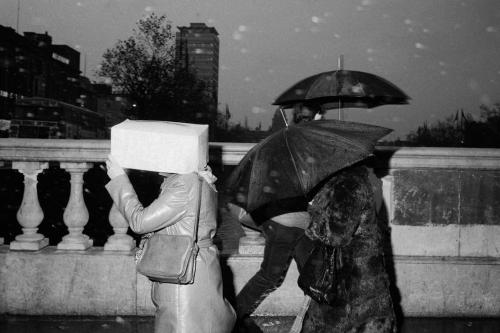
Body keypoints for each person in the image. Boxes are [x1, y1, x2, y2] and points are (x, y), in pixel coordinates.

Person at [105, 155, 236, 333]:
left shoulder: (183, 184)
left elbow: (139, 222)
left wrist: (119, 179)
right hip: (201, 268)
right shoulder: (198, 177)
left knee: (181, 326)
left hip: (183, 276)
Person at [233, 102, 322, 332]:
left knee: (277, 276)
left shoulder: (280, 144)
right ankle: (233, 316)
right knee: (312, 277)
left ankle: (234, 316)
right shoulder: (305, 147)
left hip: (284, 221)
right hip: (292, 222)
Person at [298, 161, 396, 333]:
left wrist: (312, 219)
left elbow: (336, 235)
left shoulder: (348, 184)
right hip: (361, 274)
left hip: (348, 280)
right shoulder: (360, 179)